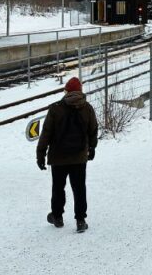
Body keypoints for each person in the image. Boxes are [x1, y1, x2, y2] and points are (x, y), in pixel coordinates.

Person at [36, 76, 98, 233]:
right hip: (79, 157)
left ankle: (57, 217)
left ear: (67, 91)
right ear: (80, 91)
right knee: (79, 188)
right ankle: (81, 220)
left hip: (58, 157)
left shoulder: (55, 109)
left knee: (58, 188)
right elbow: (93, 131)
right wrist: (92, 148)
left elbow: (46, 133)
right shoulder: (87, 108)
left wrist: (40, 153)